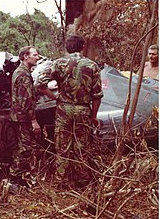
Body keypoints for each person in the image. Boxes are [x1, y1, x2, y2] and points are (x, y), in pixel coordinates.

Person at [35, 35, 103, 189]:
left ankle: (61, 183)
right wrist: (93, 116)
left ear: (66, 47)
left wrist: (54, 96)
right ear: (82, 47)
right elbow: (97, 95)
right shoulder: (92, 66)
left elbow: (40, 83)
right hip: (83, 109)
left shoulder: (58, 63)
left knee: (62, 147)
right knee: (81, 147)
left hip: (63, 109)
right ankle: (82, 182)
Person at [9, 46, 41, 188]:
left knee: (22, 147)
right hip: (24, 117)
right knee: (25, 148)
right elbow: (25, 101)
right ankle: (15, 179)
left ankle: (19, 178)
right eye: (34, 54)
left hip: (19, 116)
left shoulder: (22, 72)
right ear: (25, 56)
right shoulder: (23, 75)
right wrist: (34, 121)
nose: (37, 57)